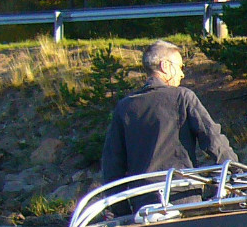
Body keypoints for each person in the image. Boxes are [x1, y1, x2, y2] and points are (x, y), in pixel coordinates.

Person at [99, 40, 237, 184]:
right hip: (179, 192)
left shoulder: (125, 107)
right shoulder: (182, 97)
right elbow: (213, 139)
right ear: (165, 66)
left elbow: (112, 164)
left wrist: (121, 206)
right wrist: (238, 173)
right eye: (180, 67)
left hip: (141, 197)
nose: (182, 74)